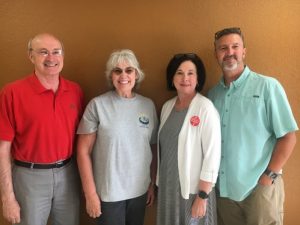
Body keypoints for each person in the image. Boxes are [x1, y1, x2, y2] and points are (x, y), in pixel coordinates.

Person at [207, 27, 298, 225]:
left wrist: (269, 176)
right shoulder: (212, 97)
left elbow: (289, 136)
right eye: (223, 48)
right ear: (216, 54)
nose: (229, 52)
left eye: (235, 46)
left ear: (244, 51)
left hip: (260, 190)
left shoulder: (267, 87)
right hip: (225, 194)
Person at [0, 33, 84, 225]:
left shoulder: (75, 91)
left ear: (63, 56)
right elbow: (2, 149)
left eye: (56, 52)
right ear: (31, 56)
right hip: (29, 178)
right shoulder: (12, 93)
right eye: (43, 52)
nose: (51, 58)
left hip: (68, 174)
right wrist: (7, 198)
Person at [76, 49, 158, 225]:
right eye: (117, 71)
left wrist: (151, 184)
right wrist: (90, 194)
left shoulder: (147, 105)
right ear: (111, 76)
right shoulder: (97, 105)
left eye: (129, 70)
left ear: (136, 74)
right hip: (109, 194)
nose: (123, 75)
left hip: (139, 191)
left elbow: (152, 147)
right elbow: (83, 151)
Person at [156, 53, 221, 225]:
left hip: (194, 193)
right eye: (179, 72)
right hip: (168, 189)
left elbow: (212, 155)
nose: (185, 78)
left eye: (191, 73)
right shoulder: (167, 107)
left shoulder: (205, 108)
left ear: (198, 79)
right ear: (172, 78)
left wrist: (203, 196)